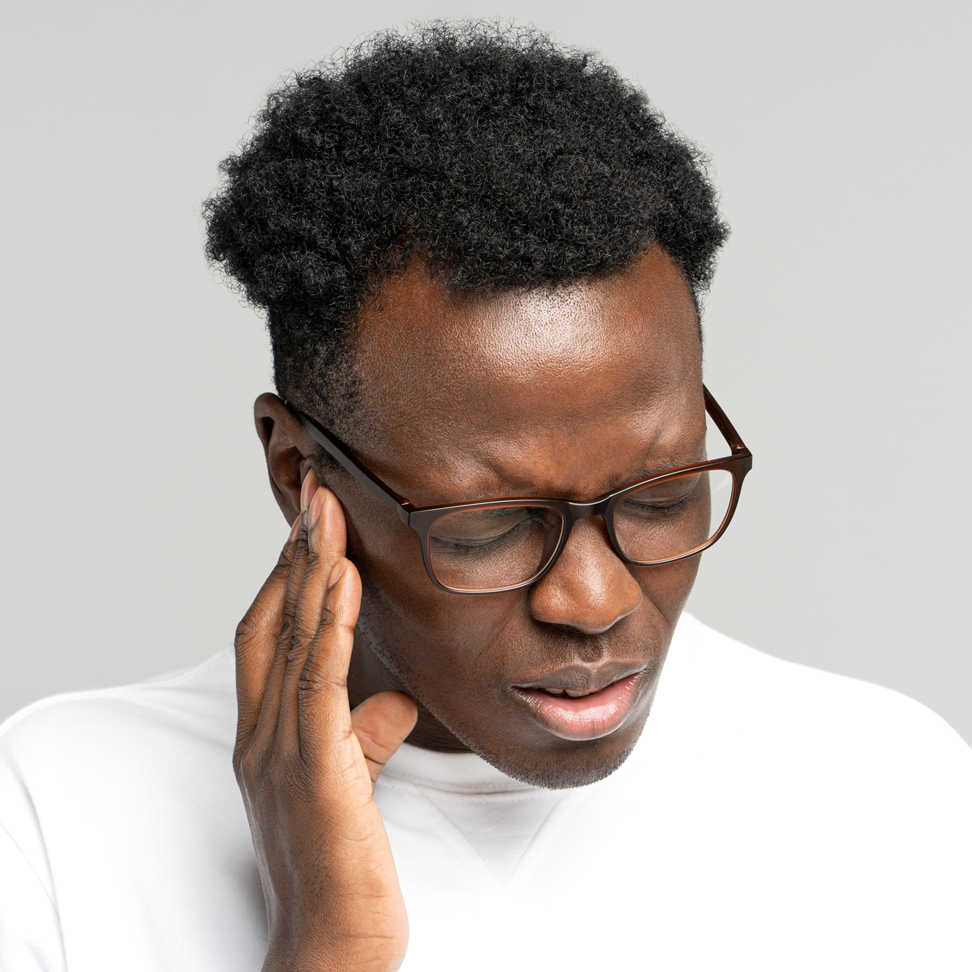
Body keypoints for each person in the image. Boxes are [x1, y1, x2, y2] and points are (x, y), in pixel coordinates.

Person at [1, 22, 970, 972]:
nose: (594, 603)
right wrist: (322, 951)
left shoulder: (885, 791)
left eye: (660, 493)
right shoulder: (60, 814)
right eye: (491, 525)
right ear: (302, 475)